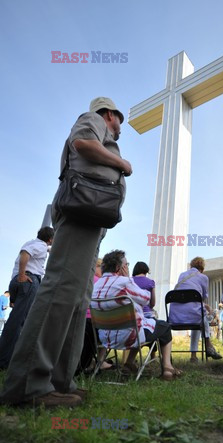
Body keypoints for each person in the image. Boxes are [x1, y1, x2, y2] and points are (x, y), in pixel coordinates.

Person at [0, 97, 132, 407]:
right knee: (61, 290)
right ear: (110, 114)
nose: (120, 130)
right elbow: (82, 142)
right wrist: (122, 165)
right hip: (82, 210)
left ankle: (60, 381)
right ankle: (28, 385)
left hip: (92, 217)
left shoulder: (104, 128)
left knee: (77, 299)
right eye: (119, 123)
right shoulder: (94, 119)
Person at [92, 250, 180, 381]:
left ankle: (129, 363)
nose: (127, 267)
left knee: (140, 324)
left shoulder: (95, 285)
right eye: (126, 264)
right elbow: (146, 299)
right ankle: (167, 368)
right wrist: (128, 279)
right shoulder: (124, 282)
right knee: (164, 327)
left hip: (105, 338)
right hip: (129, 337)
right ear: (118, 267)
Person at [0, 227, 54, 369]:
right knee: (18, 322)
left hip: (17, 283)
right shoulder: (40, 247)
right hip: (28, 281)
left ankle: (5, 357)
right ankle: (5, 361)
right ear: (49, 239)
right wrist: (22, 274)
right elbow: (26, 254)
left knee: (15, 319)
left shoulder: (32, 242)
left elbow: (30, 250)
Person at [169, 257, 222, 362]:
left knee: (200, 316)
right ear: (202, 268)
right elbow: (203, 297)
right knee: (201, 318)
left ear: (191, 266)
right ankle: (207, 347)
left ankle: (197, 354)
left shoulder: (182, 275)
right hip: (193, 316)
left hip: (175, 317)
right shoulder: (203, 277)